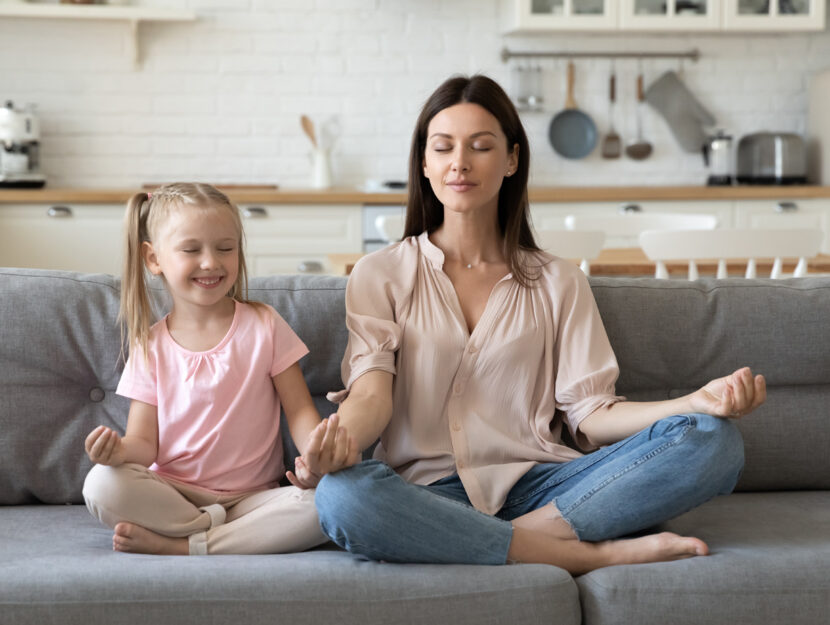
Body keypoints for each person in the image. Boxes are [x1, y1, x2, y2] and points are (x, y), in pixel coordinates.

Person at [312, 75, 766, 574]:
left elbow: (591, 413)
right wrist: (339, 441)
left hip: (550, 488)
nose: (459, 162)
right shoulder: (380, 274)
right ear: (425, 163)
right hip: (426, 494)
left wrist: (695, 402)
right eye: (442, 148)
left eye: (480, 147)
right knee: (342, 497)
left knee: (713, 439)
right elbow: (372, 396)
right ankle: (584, 554)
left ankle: (509, 541)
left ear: (511, 159)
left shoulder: (559, 280)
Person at [82, 182, 358, 556]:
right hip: (174, 494)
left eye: (225, 248)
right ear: (154, 259)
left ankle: (186, 545)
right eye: (191, 250)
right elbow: (144, 444)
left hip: (253, 499)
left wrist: (317, 454)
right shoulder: (150, 346)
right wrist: (117, 453)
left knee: (324, 505)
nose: (211, 262)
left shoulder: (265, 324)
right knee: (100, 485)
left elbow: (299, 411)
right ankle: (214, 531)